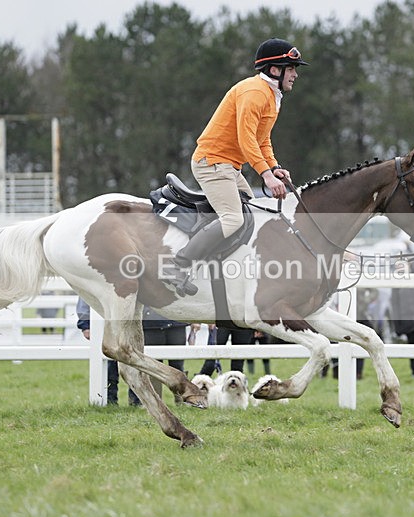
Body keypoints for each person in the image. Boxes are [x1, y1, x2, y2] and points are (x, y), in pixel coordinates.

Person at [164, 38, 308, 295]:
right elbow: (246, 138)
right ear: (275, 69)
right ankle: (177, 265)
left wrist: (273, 167)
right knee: (233, 219)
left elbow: (262, 139)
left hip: (229, 166)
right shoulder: (254, 94)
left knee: (251, 218)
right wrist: (265, 175)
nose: (295, 74)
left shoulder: (270, 95)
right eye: (292, 68)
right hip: (212, 163)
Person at [76, 297, 139, 406]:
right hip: (105, 325)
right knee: (109, 366)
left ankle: (136, 401)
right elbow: (84, 296)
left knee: (135, 363)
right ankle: (110, 401)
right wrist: (85, 324)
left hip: (131, 324)